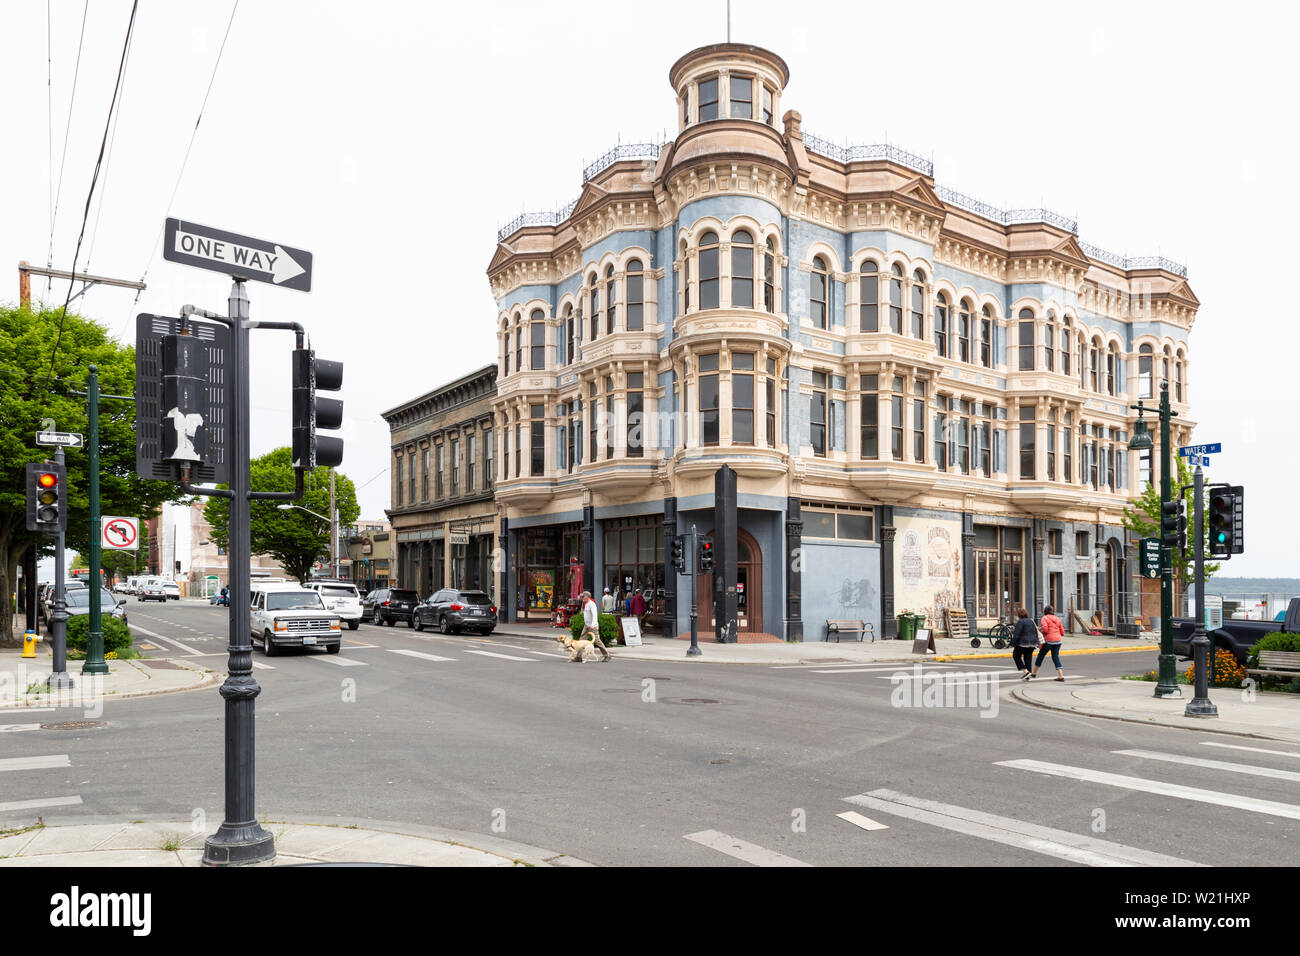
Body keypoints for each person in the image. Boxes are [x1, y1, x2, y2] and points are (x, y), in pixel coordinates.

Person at [1032, 604, 1066, 681]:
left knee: (1041, 655)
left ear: (1045, 611)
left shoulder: (1044, 618)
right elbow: (1062, 632)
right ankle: (1061, 675)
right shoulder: (1057, 619)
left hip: (1049, 641)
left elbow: (1045, 629)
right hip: (1058, 641)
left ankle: (1034, 672)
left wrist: (1041, 631)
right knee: (1055, 657)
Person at [578, 590, 611, 661]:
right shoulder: (586, 604)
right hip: (587, 626)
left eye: (583, 596)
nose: (582, 598)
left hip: (593, 627)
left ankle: (607, 655)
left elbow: (594, 616)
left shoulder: (592, 604)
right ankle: (578, 657)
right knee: (581, 640)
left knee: (597, 641)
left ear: (587, 597)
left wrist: (593, 625)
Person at [1012, 606, 1038, 680]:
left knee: (1016, 656)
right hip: (1033, 643)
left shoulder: (1020, 622)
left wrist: (1013, 643)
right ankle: (1028, 674)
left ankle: (1026, 672)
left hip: (1023, 643)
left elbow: (1017, 634)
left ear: (1019, 615)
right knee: (1028, 658)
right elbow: (1035, 631)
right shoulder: (1031, 621)